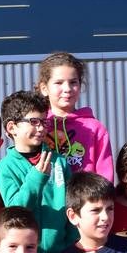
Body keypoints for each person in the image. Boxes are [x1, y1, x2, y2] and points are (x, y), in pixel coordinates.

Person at [0, 90, 76, 253]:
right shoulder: (4, 168)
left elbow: (72, 206)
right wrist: (37, 178)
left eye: (43, 122)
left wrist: (72, 246)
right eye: (33, 122)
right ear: (11, 128)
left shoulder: (59, 162)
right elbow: (15, 210)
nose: (40, 128)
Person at [34, 51, 113, 179]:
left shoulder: (95, 128)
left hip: (85, 198)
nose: (67, 89)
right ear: (44, 88)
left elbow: (105, 177)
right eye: (59, 83)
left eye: (73, 82)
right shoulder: (36, 125)